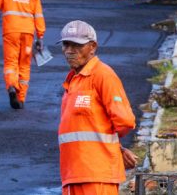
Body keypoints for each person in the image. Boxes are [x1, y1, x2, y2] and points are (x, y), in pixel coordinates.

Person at [57, 20, 138, 195]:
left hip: (96, 175)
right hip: (74, 174)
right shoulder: (73, 80)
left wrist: (111, 148)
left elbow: (125, 121)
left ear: (92, 47)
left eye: (76, 45)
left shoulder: (103, 75)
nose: (69, 51)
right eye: (66, 44)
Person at [0, 0, 45, 109]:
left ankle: (12, 86)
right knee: (24, 64)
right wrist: (40, 37)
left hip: (10, 32)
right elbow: (38, 16)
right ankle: (21, 98)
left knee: (11, 62)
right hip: (28, 33)